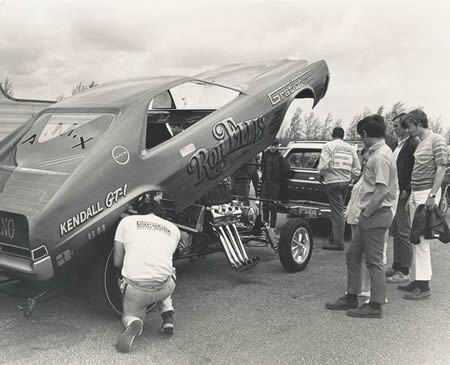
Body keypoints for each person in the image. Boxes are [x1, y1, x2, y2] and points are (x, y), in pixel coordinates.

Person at [326, 115, 398, 318]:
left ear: (365, 134)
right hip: (371, 214)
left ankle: (375, 305)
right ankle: (352, 295)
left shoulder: (381, 156)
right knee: (353, 255)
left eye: (361, 135)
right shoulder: (378, 153)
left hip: (375, 213)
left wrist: (366, 213)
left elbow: (382, 190)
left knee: (373, 261)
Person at [113, 192, 181, 353]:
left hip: (136, 290)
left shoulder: (126, 222)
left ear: (138, 211)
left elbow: (116, 262)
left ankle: (134, 322)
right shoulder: (173, 229)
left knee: (129, 313)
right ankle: (167, 315)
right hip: (164, 286)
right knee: (168, 270)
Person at [398, 109, 448, 299]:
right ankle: (417, 279)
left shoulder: (437, 140)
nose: (408, 130)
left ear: (418, 123)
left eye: (409, 126)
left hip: (427, 193)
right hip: (417, 193)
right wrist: (411, 195)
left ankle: (424, 285)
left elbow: (442, 167)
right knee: (415, 238)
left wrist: (433, 195)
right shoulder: (420, 143)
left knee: (422, 239)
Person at [386, 113, 419, 284]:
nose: (394, 129)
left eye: (397, 126)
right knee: (397, 231)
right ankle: (397, 265)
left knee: (404, 231)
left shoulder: (413, 144)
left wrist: (407, 188)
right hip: (396, 191)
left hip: (403, 192)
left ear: (406, 127)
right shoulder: (398, 145)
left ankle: (404, 271)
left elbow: (415, 168)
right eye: (393, 126)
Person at [318, 127, 361, 250]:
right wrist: (351, 178)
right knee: (338, 210)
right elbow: (357, 169)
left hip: (332, 182)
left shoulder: (328, 146)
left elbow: (324, 165)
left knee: (337, 213)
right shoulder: (350, 148)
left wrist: (321, 175)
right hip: (345, 182)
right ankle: (333, 238)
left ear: (332, 134)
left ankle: (338, 243)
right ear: (343, 136)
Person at [261, 140, 287, 228]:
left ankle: (272, 226)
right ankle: (265, 224)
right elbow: (262, 167)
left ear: (277, 147)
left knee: (273, 205)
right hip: (266, 183)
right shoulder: (265, 155)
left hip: (275, 184)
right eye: (271, 146)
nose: (273, 148)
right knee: (264, 204)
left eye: (274, 146)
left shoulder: (280, 157)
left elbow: (285, 169)